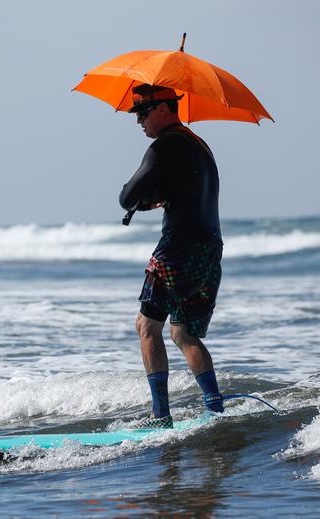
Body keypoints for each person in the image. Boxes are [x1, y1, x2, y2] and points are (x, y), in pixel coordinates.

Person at [119, 84, 224, 428]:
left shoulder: (164, 146)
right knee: (182, 332)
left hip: (178, 250)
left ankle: (160, 416)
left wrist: (136, 197)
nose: (138, 121)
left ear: (164, 109)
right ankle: (215, 410)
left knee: (146, 325)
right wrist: (159, 197)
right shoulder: (199, 146)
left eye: (142, 113)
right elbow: (184, 192)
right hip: (209, 250)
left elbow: (127, 195)